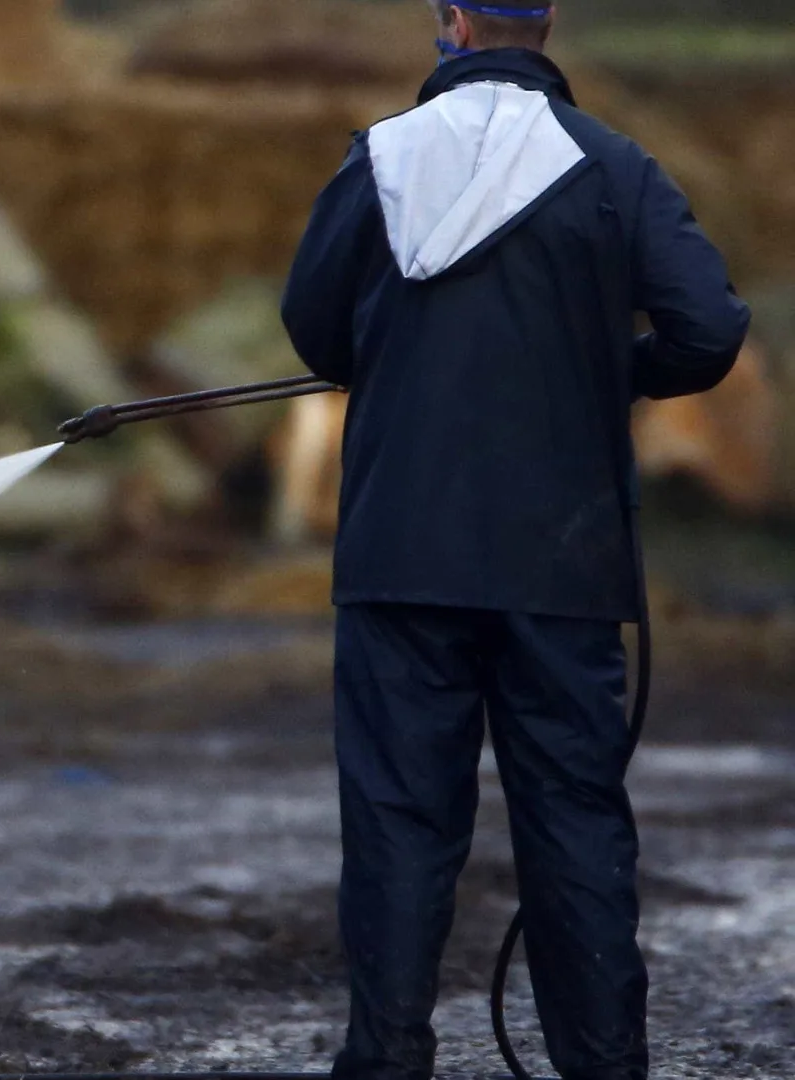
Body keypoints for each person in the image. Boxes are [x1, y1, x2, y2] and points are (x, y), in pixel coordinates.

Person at [279, 3, 751, 1079]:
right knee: (575, 819)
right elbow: (711, 327)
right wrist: (613, 372)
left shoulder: (381, 157)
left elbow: (311, 329)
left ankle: (388, 1060)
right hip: (563, 562)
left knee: (400, 820)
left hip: (401, 555)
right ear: (546, 25)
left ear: (449, 25)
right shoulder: (614, 165)